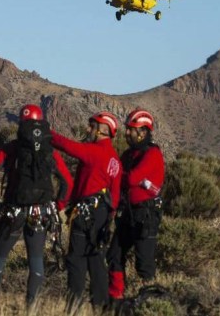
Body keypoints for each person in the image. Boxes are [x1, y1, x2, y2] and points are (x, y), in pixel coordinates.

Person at [0, 104, 73, 315]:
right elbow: (67, 182)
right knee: (36, 263)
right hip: (40, 214)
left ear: (21, 125)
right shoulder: (50, 151)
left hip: (13, 211)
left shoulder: (11, 149)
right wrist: (56, 207)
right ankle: (32, 310)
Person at [50, 111, 122, 313]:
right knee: (96, 257)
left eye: (92, 126)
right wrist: (109, 218)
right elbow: (115, 195)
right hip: (102, 214)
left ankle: (73, 306)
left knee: (76, 258)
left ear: (102, 130)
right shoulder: (115, 160)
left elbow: (67, 146)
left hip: (86, 213)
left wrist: (46, 132)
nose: (88, 130)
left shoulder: (94, 151)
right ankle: (100, 306)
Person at [107, 109, 165, 306]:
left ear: (142, 131)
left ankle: (151, 304)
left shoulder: (153, 153)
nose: (127, 133)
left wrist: (123, 178)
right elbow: (122, 178)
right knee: (114, 254)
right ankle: (116, 300)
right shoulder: (128, 153)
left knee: (144, 262)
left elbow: (130, 178)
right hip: (128, 213)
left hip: (146, 215)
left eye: (131, 129)